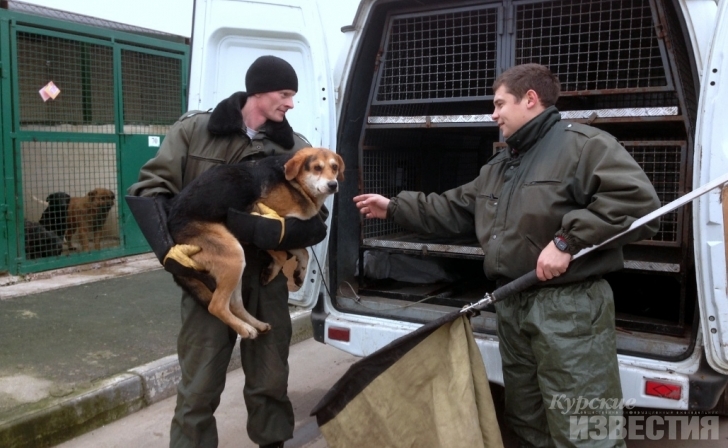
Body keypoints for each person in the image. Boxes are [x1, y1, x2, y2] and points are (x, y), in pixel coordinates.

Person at [353, 63, 660, 447]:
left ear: (530, 99)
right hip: (513, 301)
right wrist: (395, 207)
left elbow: (637, 204)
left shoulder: (583, 146)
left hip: (569, 307)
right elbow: (455, 208)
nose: (493, 114)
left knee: (585, 424)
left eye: (499, 104)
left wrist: (567, 242)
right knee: (527, 417)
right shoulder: (501, 165)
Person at [127, 55, 327, 448]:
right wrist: (168, 251)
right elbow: (150, 190)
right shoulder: (195, 130)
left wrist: (277, 231)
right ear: (258, 91)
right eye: (284, 94)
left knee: (271, 380)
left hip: (266, 279)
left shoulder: (297, 149)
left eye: (293, 96)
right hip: (206, 271)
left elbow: (316, 218)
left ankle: (272, 443)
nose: (291, 104)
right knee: (198, 385)